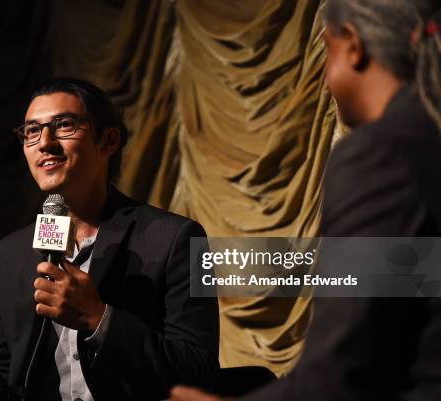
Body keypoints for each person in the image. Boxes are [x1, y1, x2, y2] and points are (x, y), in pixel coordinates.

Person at [0, 77, 219, 401]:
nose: (44, 142)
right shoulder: (4, 258)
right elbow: (1, 383)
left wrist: (99, 319)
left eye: (64, 125)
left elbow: (199, 373)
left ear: (109, 141)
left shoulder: (180, 238)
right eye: (31, 131)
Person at [170, 0, 441, 400]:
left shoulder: (382, 155)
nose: (327, 80)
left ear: (352, 44)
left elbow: (345, 370)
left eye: (326, 55)